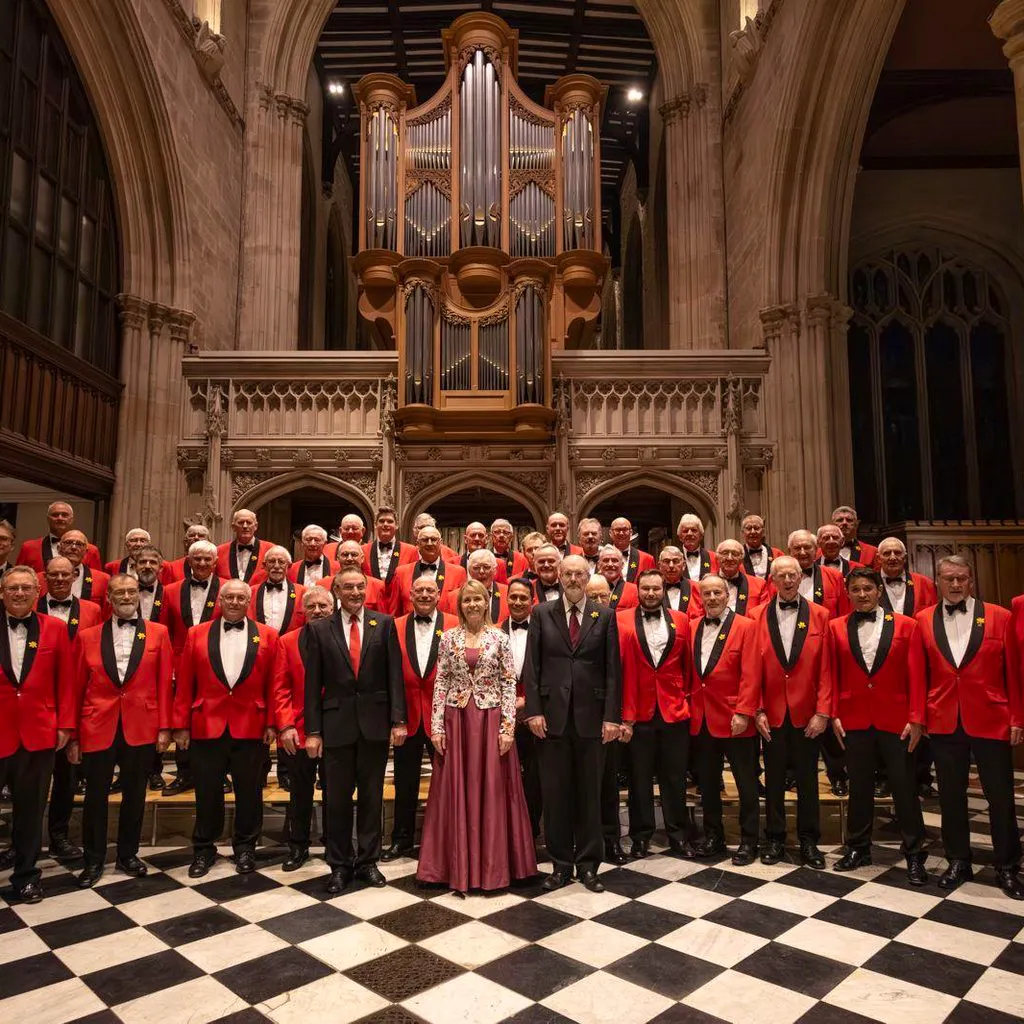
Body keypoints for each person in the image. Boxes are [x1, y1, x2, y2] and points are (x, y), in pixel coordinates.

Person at [417, 579, 537, 891]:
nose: (472, 604)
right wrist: (437, 727)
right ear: (460, 605)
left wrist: (508, 728)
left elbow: (508, 683)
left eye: (477, 599)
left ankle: (492, 869)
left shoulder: (500, 638)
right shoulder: (449, 638)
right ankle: (453, 868)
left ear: (487, 603)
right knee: (456, 790)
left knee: (493, 790)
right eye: (467, 599)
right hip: (456, 721)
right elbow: (441, 682)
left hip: (490, 720)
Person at [918, 556, 1023, 899]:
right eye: (949, 578)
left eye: (961, 578)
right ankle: (958, 861)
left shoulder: (1000, 616)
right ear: (938, 581)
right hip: (943, 718)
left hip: (992, 717)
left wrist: (1017, 718)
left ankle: (1007, 866)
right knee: (950, 796)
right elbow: (919, 673)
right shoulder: (922, 619)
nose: (956, 584)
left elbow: (1013, 671)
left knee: (1001, 796)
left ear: (971, 581)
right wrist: (920, 716)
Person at [173, 580, 291, 877]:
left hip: (251, 725)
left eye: (241, 598)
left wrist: (272, 723)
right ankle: (203, 849)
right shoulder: (196, 633)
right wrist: (180, 725)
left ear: (249, 602)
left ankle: (246, 847)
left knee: (249, 792)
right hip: (206, 724)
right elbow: (185, 682)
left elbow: (274, 683)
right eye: (230, 597)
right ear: (220, 600)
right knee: (206, 791)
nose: (235, 602)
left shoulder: (268, 635)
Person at [303, 568, 406, 894]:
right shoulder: (319, 629)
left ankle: (368, 862)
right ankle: (339, 865)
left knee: (372, 798)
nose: (355, 592)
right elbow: (312, 685)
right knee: (336, 800)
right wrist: (313, 731)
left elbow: (394, 677)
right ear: (336, 591)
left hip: (374, 726)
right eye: (348, 587)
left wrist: (398, 720)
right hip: (336, 727)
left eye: (360, 586)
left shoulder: (384, 624)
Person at [68, 574, 174, 887]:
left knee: (135, 794)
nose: (126, 597)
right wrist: (73, 735)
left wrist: (165, 728)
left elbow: (165, 684)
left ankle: (128, 854)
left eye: (131, 591)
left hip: (141, 725)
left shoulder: (159, 633)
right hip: (97, 724)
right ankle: (93, 860)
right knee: (95, 797)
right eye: (119, 592)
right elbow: (75, 688)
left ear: (139, 595)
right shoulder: (87, 636)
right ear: (108, 598)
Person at [523, 554, 621, 892]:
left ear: (588, 576)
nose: (574, 579)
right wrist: (533, 711)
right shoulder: (541, 613)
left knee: (591, 795)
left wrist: (612, 717)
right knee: (556, 796)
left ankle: (590, 865)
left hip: (593, 720)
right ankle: (561, 865)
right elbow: (532, 666)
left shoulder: (604, 615)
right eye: (568, 574)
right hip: (552, 719)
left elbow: (613, 670)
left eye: (580, 574)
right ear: (559, 577)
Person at [829, 568, 928, 885]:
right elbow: (831, 673)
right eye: (856, 589)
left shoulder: (907, 625)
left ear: (879, 591)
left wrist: (916, 717)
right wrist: (833, 714)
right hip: (853, 718)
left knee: (904, 788)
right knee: (859, 787)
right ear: (847, 593)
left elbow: (917, 674)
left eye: (868, 588)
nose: (862, 594)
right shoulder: (835, 627)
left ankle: (914, 853)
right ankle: (858, 848)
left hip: (897, 720)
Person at [750, 556, 832, 868]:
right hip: (770, 714)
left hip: (807, 714)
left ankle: (809, 841)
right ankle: (774, 838)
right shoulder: (756, 615)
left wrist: (822, 712)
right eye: (781, 575)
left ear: (800, 578)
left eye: (792, 575)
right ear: (772, 580)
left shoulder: (821, 615)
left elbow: (827, 668)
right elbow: (751, 668)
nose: (787, 581)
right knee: (772, 779)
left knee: (808, 780)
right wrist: (757, 709)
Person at [0, 566, 74, 902]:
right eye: (12, 588)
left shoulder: (55, 629)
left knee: (31, 811)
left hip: (38, 733)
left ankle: (26, 876)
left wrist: (65, 726)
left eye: (25, 588)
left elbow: (66, 681)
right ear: (2, 593)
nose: (19, 593)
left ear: (37, 593)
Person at [618, 569, 695, 859]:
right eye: (646, 588)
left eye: (656, 589)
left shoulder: (682, 620)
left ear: (664, 590)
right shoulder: (621, 619)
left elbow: (687, 665)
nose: (651, 593)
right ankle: (640, 836)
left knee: (674, 778)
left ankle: (678, 836)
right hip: (638, 711)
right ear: (637, 591)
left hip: (673, 709)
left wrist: (683, 698)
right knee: (639, 779)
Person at [382, 576, 458, 860]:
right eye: (419, 591)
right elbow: (391, 675)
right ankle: (401, 839)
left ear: (438, 595)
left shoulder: (454, 623)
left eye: (430, 590)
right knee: (405, 782)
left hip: (445, 718)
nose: (425, 595)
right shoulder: (395, 625)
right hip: (409, 717)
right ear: (410, 595)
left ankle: (449, 839)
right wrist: (396, 719)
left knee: (449, 781)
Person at [689, 574, 762, 865]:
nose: (712, 598)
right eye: (706, 593)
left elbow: (752, 673)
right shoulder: (692, 625)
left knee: (746, 784)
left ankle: (749, 840)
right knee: (708, 784)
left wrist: (744, 712)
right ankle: (713, 836)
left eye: (717, 593)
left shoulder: (746, 626)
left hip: (735, 719)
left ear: (727, 595)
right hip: (702, 718)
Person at [38, 556, 103, 860]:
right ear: (45, 577)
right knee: (27, 777)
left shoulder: (92, 610)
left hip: (74, 698)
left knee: (67, 776)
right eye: (54, 575)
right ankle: (20, 842)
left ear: (75, 576)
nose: (60, 579)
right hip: (37, 701)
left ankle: (59, 836)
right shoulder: (29, 605)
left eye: (66, 574)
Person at [272, 587, 337, 871]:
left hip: (335, 728)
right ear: (302, 610)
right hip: (297, 731)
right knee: (299, 793)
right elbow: (280, 687)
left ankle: (335, 845)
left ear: (333, 609)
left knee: (335, 792)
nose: (318, 611)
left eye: (323, 605)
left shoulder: (343, 638)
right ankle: (298, 846)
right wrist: (285, 725)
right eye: (311, 606)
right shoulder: (287, 642)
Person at [161, 539, 227, 795]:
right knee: (183, 717)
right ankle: (184, 773)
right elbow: (165, 632)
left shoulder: (227, 589)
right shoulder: (170, 591)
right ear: (188, 561)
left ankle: (219, 773)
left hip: (217, 664)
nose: (201, 563)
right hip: (181, 665)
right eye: (196, 559)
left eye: (206, 559)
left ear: (215, 562)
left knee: (216, 717)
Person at [585, 574, 628, 866]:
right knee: (583, 785)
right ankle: (586, 840)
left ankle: (612, 840)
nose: (600, 601)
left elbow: (625, 676)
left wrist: (620, 717)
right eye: (594, 596)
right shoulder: (574, 626)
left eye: (604, 596)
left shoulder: (620, 627)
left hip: (610, 719)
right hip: (582, 718)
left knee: (609, 785)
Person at [502, 577, 542, 840]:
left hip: (535, 715)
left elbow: (550, 672)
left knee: (535, 777)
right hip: (502, 718)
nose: (517, 602)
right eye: (513, 597)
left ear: (532, 601)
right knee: (503, 777)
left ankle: (531, 830)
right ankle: (505, 831)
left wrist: (528, 700)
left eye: (523, 597)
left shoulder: (544, 631)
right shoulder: (494, 632)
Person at [390, 525, 467, 616]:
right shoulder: (401, 572)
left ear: (440, 543)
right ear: (418, 544)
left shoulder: (458, 573)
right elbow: (395, 612)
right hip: (410, 624)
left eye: (433, 539)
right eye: (425, 540)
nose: (429, 543)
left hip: (446, 624)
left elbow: (463, 608)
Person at [16, 500, 102, 572]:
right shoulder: (29, 548)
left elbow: (97, 580)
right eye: (55, 515)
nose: (60, 518)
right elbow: (17, 576)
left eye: (65, 515)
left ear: (71, 520)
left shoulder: (90, 550)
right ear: (48, 519)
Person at [362, 505, 417, 605]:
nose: (385, 524)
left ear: (397, 525)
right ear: (375, 525)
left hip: (399, 606)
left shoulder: (411, 551)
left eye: (390, 521)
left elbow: (413, 582)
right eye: (381, 521)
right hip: (371, 605)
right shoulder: (363, 550)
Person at [40, 531, 109, 609]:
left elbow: (105, 612)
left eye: (79, 544)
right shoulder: (39, 578)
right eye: (68, 542)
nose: (73, 547)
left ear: (86, 551)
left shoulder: (103, 579)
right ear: (59, 548)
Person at [248, 546, 306, 634]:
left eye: (281, 562)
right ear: (264, 565)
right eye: (271, 561)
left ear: (289, 566)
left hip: (290, 642)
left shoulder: (303, 592)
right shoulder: (251, 592)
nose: (276, 566)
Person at [877, 537, 938, 616]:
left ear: (905, 557)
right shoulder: (870, 583)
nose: (892, 557)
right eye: (887, 553)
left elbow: (933, 615)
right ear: (878, 558)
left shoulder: (925, 583)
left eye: (897, 553)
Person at [323, 541, 386, 610]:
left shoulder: (377, 586)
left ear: (362, 558)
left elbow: (382, 615)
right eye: (345, 555)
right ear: (338, 558)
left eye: (354, 555)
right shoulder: (323, 584)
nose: (349, 558)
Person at [216, 508, 273, 583]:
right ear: (233, 527)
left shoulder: (270, 550)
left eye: (249, 522)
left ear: (256, 526)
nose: (245, 526)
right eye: (240, 522)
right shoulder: (219, 551)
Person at [454, 549, 509, 623]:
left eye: (486, 567)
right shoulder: (454, 596)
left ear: (494, 570)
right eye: (476, 568)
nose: (481, 571)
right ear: (469, 571)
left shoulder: (508, 593)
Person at [715, 539, 768, 616]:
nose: (729, 558)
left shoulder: (759, 585)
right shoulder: (703, 585)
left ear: (741, 559)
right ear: (717, 557)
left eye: (735, 554)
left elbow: (763, 615)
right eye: (725, 553)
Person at [658, 546, 703, 618]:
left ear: (684, 565)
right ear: (659, 566)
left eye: (675, 561)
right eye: (666, 561)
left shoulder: (697, 588)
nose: (671, 565)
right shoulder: (653, 589)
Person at [831, 505, 879, 569]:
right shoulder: (820, 552)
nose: (844, 523)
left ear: (856, 525)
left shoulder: (872, 552)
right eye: (840, 520)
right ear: (833, 525)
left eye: (849, 520)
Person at [609, 517, 655, 583]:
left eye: (625, 529)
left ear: (631, 532)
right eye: (618, 530)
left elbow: (652, 584)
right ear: (610, 533)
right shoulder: (601, 558)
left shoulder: (647, 559)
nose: (621, 533)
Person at [597, 545, 639, 609]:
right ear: (598, 565)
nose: (610, 564)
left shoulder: (634, 590)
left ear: (622, 565)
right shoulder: (589, 588)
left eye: (614, 560)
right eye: (606, 560)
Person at [741, 514, 782, 579]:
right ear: (743, 533)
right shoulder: (737, 556)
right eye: (749, 528)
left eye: (756, 528)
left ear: (763, 531)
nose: (753, 532)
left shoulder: (777, 554)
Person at [677, 514, 717, 580]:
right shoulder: (673, 559)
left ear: (701, 535)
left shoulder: (713, 557)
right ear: (680, 537)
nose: (689, 533)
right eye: (685, 531)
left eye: (694, 530)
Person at [491, 518, 528, 583]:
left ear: (511, 538)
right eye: (497, 532)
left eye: (505, 532)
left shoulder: (522, 559)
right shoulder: (484, 558)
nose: (501, 535)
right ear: (491, 536)